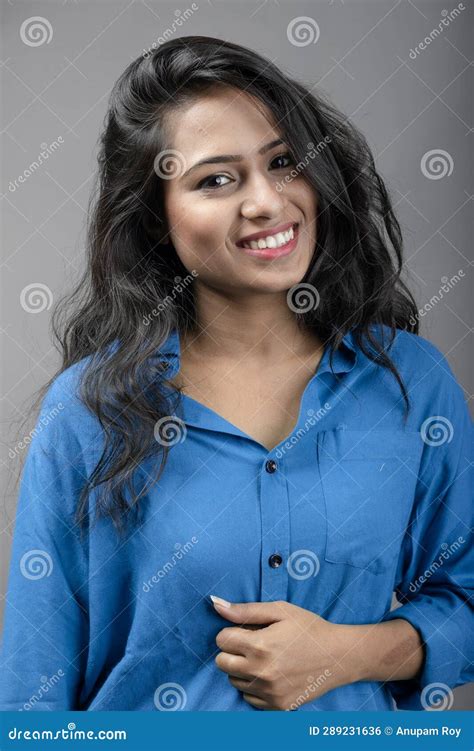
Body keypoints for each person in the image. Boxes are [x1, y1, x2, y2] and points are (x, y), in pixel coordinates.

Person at [0, 36, 472, 712]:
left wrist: (352, 653)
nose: (266, 202)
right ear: (157, 218)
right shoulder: (88, 412)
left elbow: (467, 595)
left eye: (283, 162)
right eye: (215, 179)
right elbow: (32, 694)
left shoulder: (410, 382)